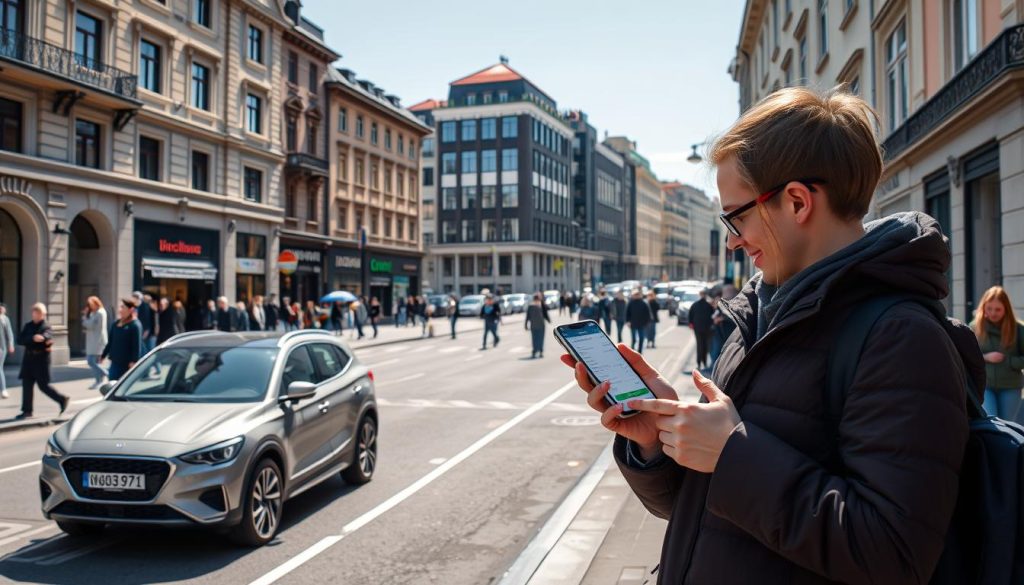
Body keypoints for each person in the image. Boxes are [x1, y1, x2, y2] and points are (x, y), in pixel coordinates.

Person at [562, 87, 979, 585]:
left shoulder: (902, 338)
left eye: (736, 216)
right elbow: (706, 511)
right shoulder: (757, 315)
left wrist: (732, 452)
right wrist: (659, 442)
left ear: (798, 201)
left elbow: (892, 554)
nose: (733, 239)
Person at [972, 286, 1024, 421]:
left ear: (1006, 309)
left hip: (1010, 387)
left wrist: (1008, 361)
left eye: (998, 309)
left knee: (1008, 424)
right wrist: (985, 358)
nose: (993, 313)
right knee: (991, 421)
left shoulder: (1018, 329)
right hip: (985, 386)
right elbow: (967, 357)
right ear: (983, 307)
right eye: (989, 308)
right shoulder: (974, 327)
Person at [16, 303, 69, 419]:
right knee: (27, 385)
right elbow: (20, 339)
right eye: (34, 312)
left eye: (38, 313)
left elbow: (46, 336)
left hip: (41, 361)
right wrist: (32, 338)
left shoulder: (46, 326)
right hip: (29, 360)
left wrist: (42, 338)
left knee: (43, 386)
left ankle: (62, 399)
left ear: (43, 314)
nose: (35, 315)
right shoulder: (28, 326)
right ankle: (27, 411)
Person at [102, 298, 143, 382]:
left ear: (130, 309)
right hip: (115, 362)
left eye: (123, 307)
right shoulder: (116, 323)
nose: (120, 310)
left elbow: (137, 345)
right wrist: (103, 355)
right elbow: (110, 342)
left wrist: (134, 361)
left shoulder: (135, 325)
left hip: (127, 364)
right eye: (120, 307)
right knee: (112, 384)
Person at [81, 296, 108, 389]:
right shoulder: (95, 313)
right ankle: (98, 381)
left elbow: (90, 325)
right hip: (94, 340)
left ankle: (105, 373)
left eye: (91, 304)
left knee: (91, 361)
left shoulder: (99, 313)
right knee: (94, 362)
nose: (90, 306)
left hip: (97, 341)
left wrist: (84, 317)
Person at [709, 285, 739, 371]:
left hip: (730, 336)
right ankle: (714, 370)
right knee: (716, 353)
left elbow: (736, 318)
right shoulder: (723, 304)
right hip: (720, 334)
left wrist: (721, 318)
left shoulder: (736, 304)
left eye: (726, 293)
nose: (724, 295)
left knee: (720, 353)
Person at [688, 289, 714, 372]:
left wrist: (691, 324)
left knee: (700, 345)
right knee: (705, 346)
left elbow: (690, 316)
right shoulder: (709, 305)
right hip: (706, 328)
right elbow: (712, 317)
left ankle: (699, 363)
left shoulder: (695, 305)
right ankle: (704, 363)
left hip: (698, 328)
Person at [625, 290, 653, 354]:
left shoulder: (643, 303)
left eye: (637, 294)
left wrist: (647, 322)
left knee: (641, 338)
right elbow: (627, 313)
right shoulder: (630, 303)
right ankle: (632, 351)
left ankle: (640, 351)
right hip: (633, 324)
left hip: (641, 324)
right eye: (635, 294)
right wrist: (628, 321)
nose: (636, 296)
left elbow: (647, 314)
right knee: (633, 339)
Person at [525, 293, 551, 358]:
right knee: (539, 339)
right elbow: (546, 312)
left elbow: (527, 317)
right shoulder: (535, 305)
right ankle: (538, 351)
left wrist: (525, 324)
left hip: (536, 325)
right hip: (539, 325)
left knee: (536, 339)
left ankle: (537, 351)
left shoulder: (533, 306)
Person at [0, 303, 14, 399]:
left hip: (2, 348)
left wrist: (11, 344)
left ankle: (3, 389)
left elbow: (9, 333)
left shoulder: (5, 319)